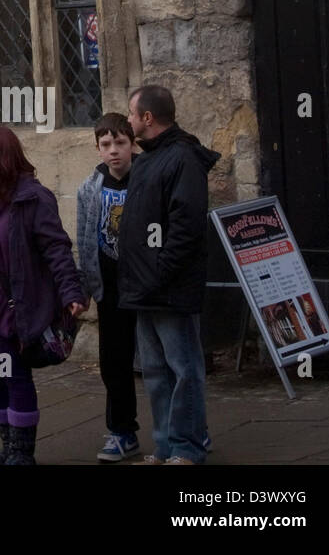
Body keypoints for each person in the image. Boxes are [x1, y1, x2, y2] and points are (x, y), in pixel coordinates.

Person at [0, 125, 86, 465]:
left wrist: (72, 292)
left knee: (14, 374)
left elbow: (57, 249)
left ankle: (23, 453)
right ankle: (8, 448)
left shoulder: (33, 199)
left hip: (15, 307)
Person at [118, 84, 220, 465]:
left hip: (169, 287)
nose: (128, 121)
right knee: (156, 373)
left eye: (131, 114)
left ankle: (187, 447)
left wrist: (161, 271)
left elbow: (186, 226)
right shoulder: (147, 160)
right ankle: (164, 447)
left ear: (148, 118)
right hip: (144, 287)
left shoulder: (183, 159)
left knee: (184, 371)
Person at [76, 113, 140, 461]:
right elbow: (85, 238)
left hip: (145, 284)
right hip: (109, 287)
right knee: (114, 361)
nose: (114, 151)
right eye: (106, 145)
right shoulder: (90, 187)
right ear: (98, 148)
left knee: (161, 360)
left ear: (132, 143)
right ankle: (121, 430)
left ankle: (182, 431)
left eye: (120, 143)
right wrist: (84, 285)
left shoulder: (146, 178)